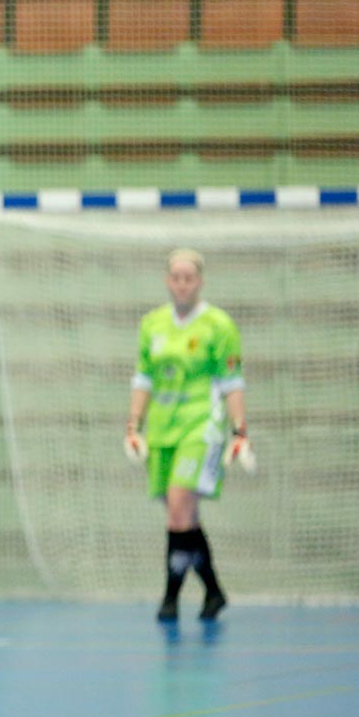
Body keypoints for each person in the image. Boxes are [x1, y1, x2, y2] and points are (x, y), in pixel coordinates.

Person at [125, 248, 248, 624]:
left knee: (179, 505)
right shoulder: (153, 324)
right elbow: (143, 378)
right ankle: (213, 591)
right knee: (182, 517)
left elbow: (231, 382)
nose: (182, 284)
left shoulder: (218, 325)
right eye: (175, 277)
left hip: (202, 425)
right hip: (163, 428)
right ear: (167, 280)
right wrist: (133, 425)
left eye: (189, 277)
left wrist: (239, 430)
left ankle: (170, 599)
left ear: (200, 281)